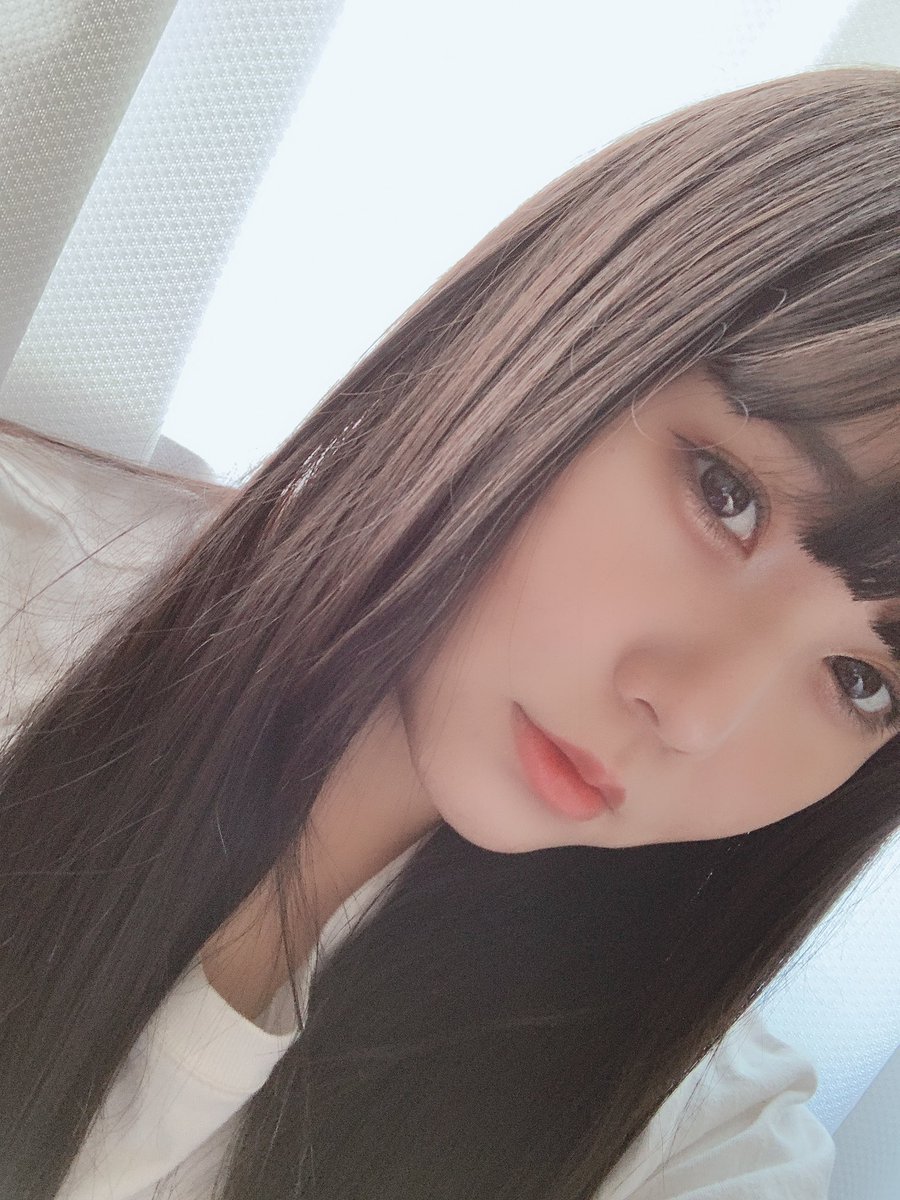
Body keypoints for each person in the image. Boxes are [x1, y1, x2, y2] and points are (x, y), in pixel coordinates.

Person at [0, 64, 898, 1200]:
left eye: (863, 681)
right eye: (729, 497)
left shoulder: (691, 1138)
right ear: (561, 335)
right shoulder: (29, 590)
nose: (696, 714)